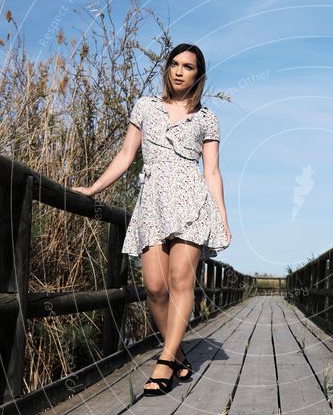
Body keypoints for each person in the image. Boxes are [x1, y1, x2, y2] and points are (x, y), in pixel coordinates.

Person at [71, 43, 231, 396]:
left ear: (197, 75)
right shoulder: (145, 106)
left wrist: (222, 217)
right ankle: (178, 355)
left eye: (187, 67)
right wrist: (94, 188)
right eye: (174, 64)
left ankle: (166, 360)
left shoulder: (206, 118)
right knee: (156, 288)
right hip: (153, 204)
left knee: (179, 281)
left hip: (191, 203)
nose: (178, 71)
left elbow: (213, 171)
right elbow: (127, 155)